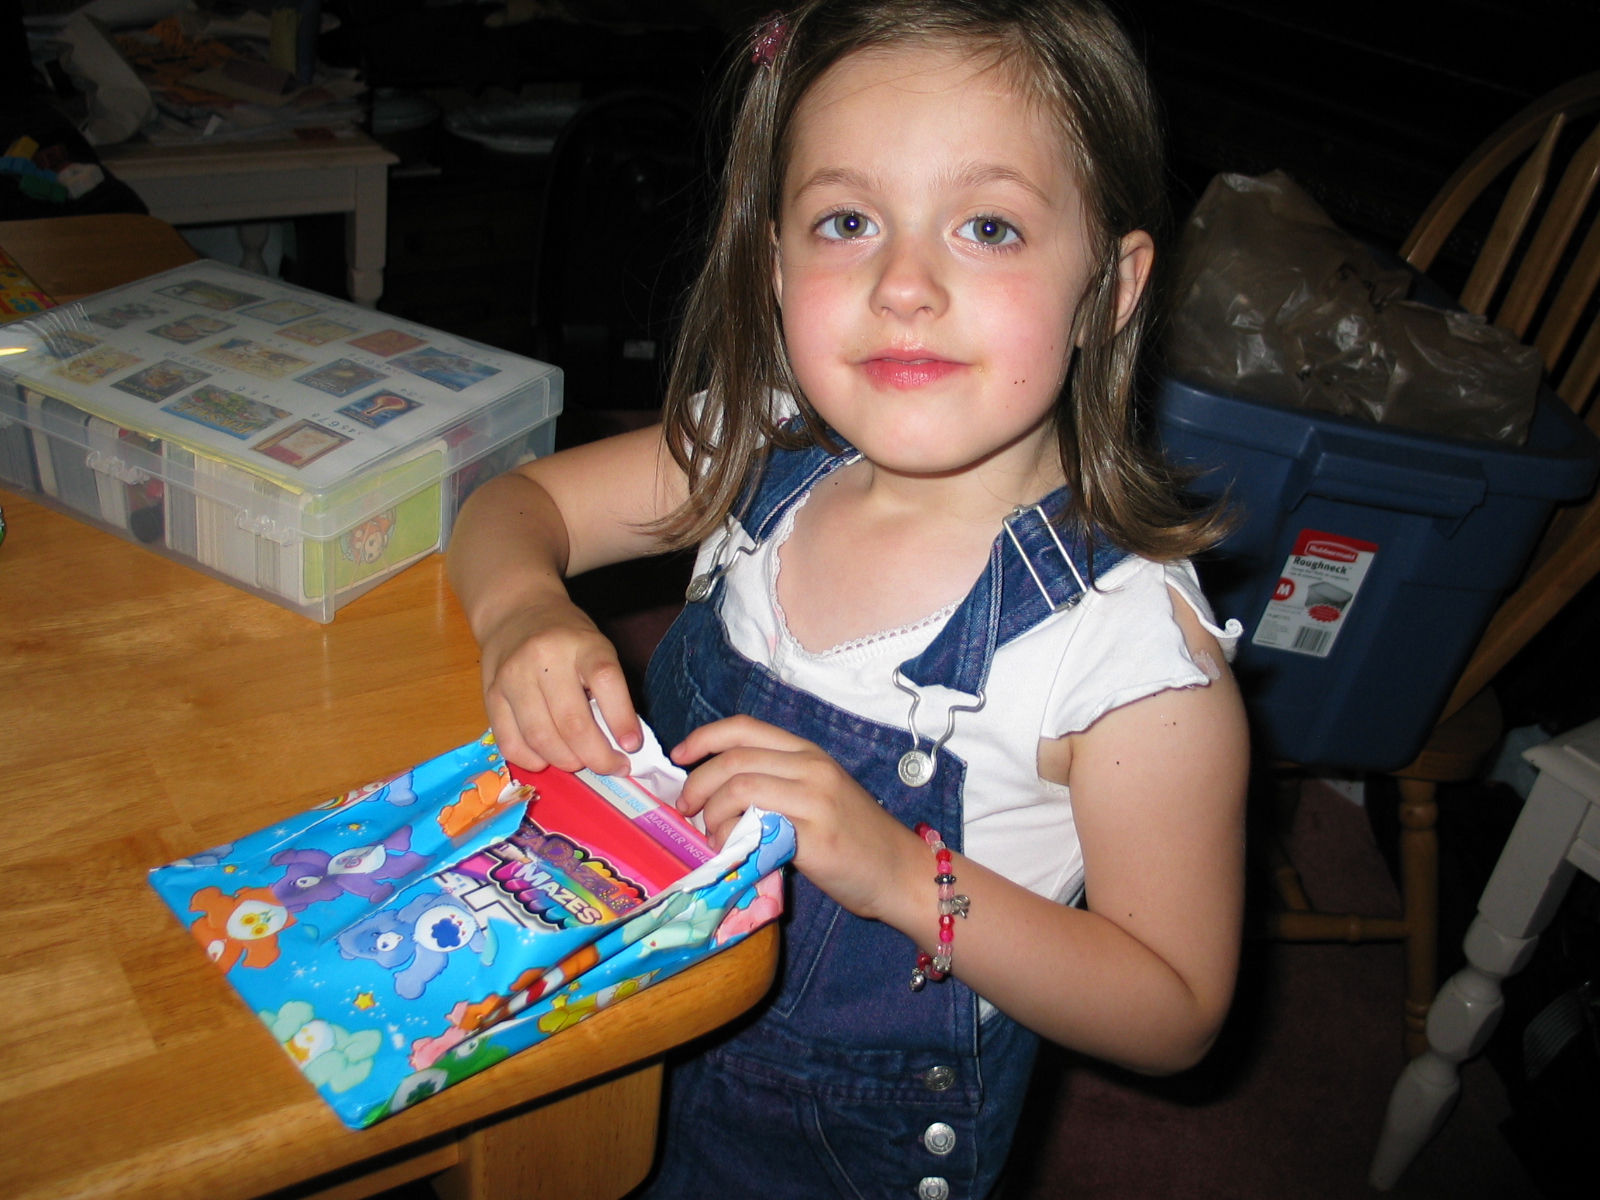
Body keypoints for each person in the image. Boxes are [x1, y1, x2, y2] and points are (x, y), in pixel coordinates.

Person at [447, 1, 1249, 1196]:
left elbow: (1172, 1010)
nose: (902, 284)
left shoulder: (1129, 658)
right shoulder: (756, 448)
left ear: (1110, 284)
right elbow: (513, 505)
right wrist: (523, 608)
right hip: (613, 1030)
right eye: (847, 222)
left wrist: (896, 873)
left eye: (987, 226)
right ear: (776, 262)